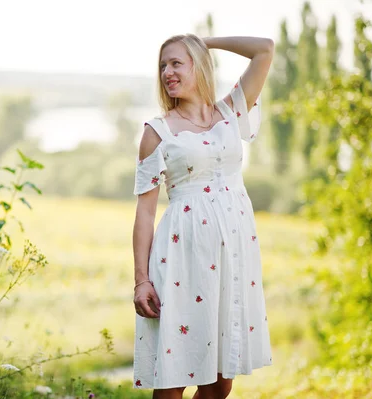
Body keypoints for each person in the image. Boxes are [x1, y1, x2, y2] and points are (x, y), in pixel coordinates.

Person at [132, 34, 275, 399]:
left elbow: (265, 49)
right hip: (182, 258)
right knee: (174, 373)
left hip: (231, 258)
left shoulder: (230, 111)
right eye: (163, 65)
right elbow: (145, 212)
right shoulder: (157, 132)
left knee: (220, 383)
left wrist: (205, 40)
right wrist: (141, 280)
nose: (167, 72)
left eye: (177, 63)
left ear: (198, 63)